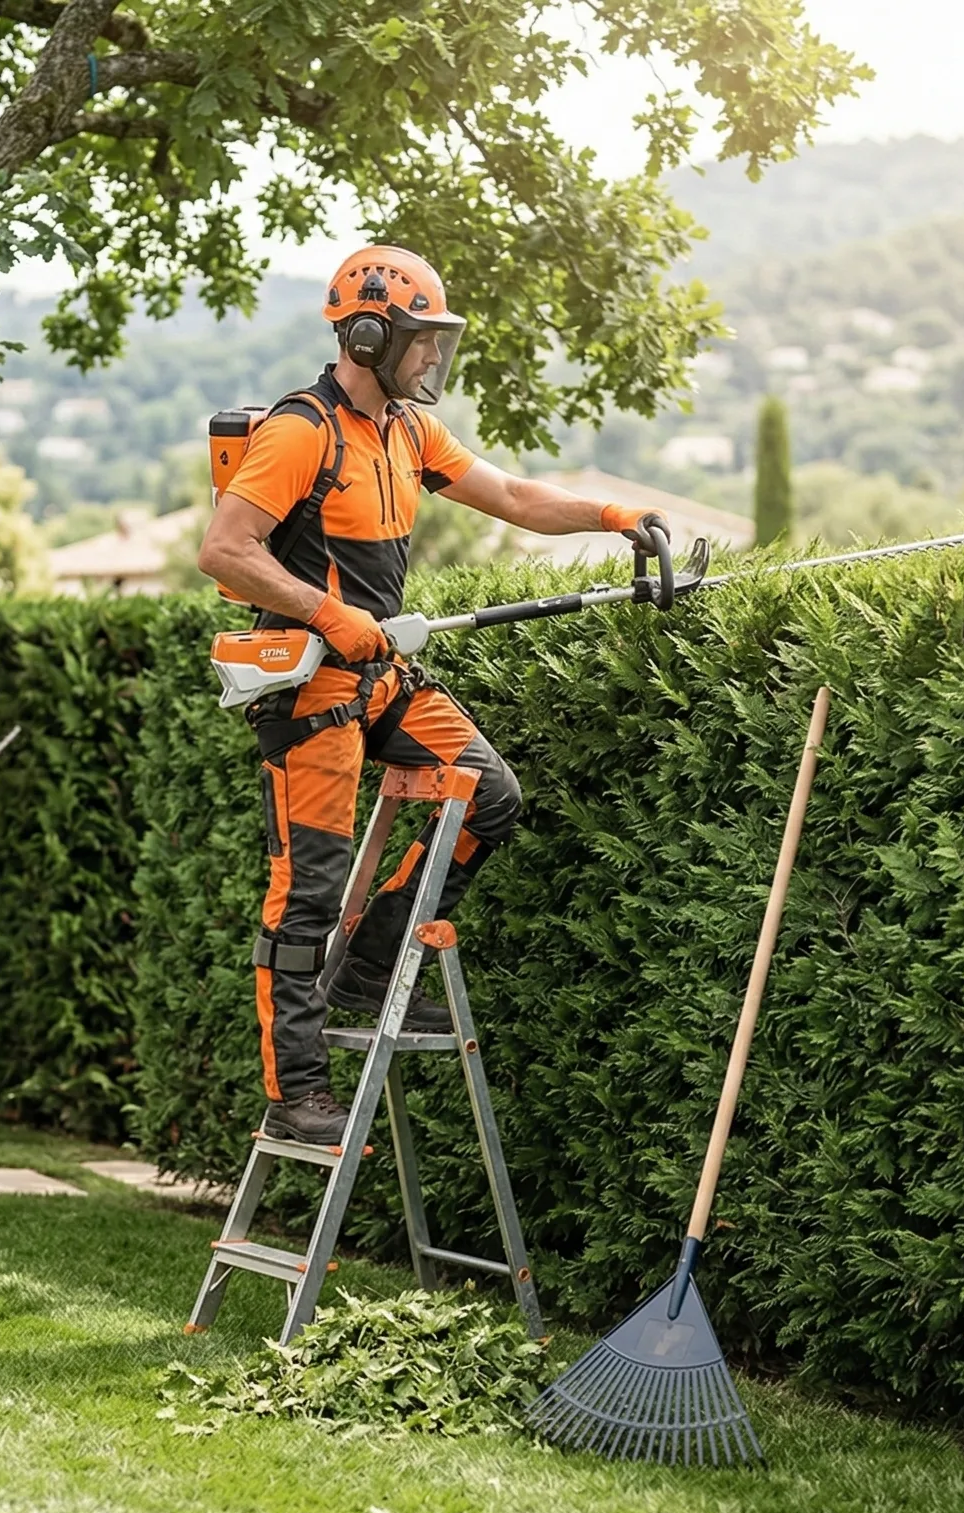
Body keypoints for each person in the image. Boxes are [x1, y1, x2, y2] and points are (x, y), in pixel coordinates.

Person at [194, 244, 673, 1145]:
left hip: (381, 677)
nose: (431, 360)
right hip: (310, 691)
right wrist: (327, 615)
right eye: (420, 342)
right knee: (306, 895)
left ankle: (374, 967)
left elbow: (517, 497)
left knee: (489, 795)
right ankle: (295, 1095)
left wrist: (617, 518)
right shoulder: (304, 432)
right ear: (368, 332)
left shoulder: (409, 433)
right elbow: (225, 551)